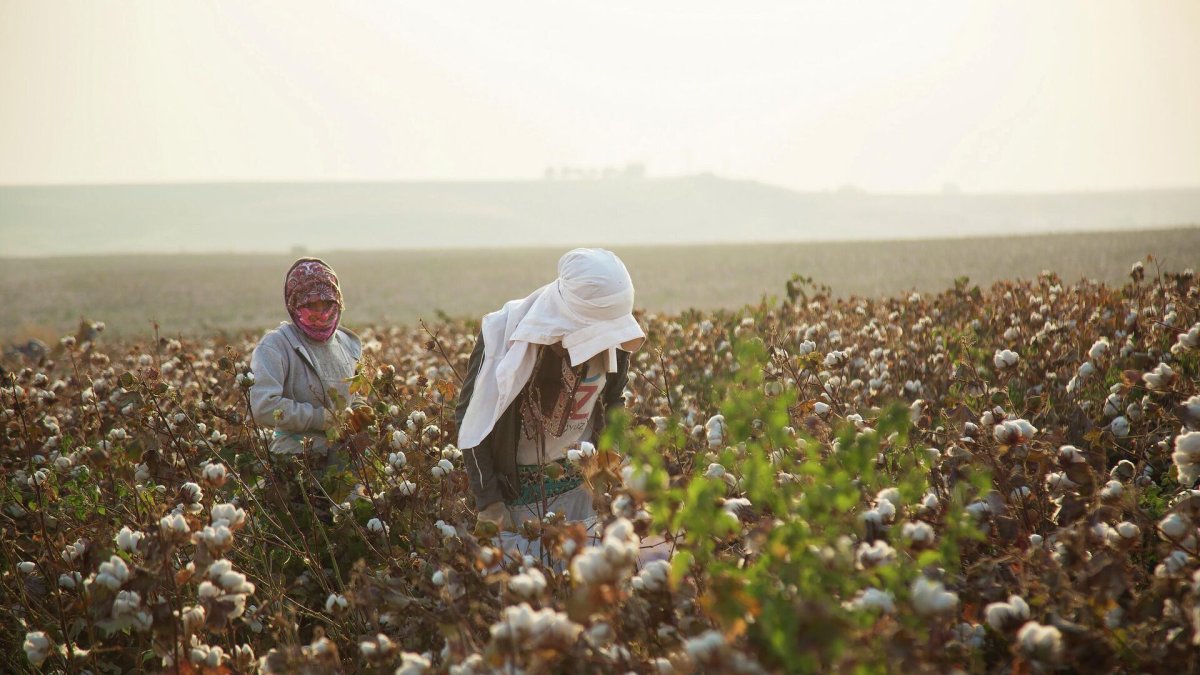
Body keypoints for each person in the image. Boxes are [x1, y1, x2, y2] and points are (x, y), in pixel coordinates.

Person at [455, 248, 645, 551]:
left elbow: (614, 403)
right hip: (517, 503)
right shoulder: (503, 337)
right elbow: (471, 420)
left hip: (584, 494)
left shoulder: (615, 344)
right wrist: (489, 501)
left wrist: (611, 460)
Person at [250, 258, 363, 458]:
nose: (320, 312)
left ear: (338, 300)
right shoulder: (276, 346)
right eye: (310, 304)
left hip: (347, 457)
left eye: (327, 302)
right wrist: (321, 418)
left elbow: (354, 396)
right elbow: (263, 406)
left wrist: (360, 411)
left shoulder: (348, 344)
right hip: (296, 457)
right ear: (293, 304)